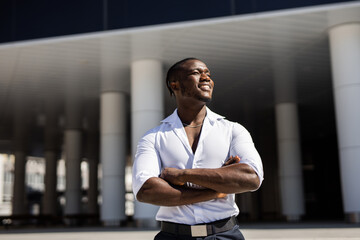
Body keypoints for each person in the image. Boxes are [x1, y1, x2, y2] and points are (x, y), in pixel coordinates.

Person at [132, 58, 263, 240]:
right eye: (196, 73)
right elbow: (146, 190)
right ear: (174, 85)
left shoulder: (233, 130)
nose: (206, 78)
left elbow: (251, 178)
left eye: (208, 74)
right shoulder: (153, 137)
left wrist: (182, 175)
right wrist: (217, 188)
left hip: (225, 235)